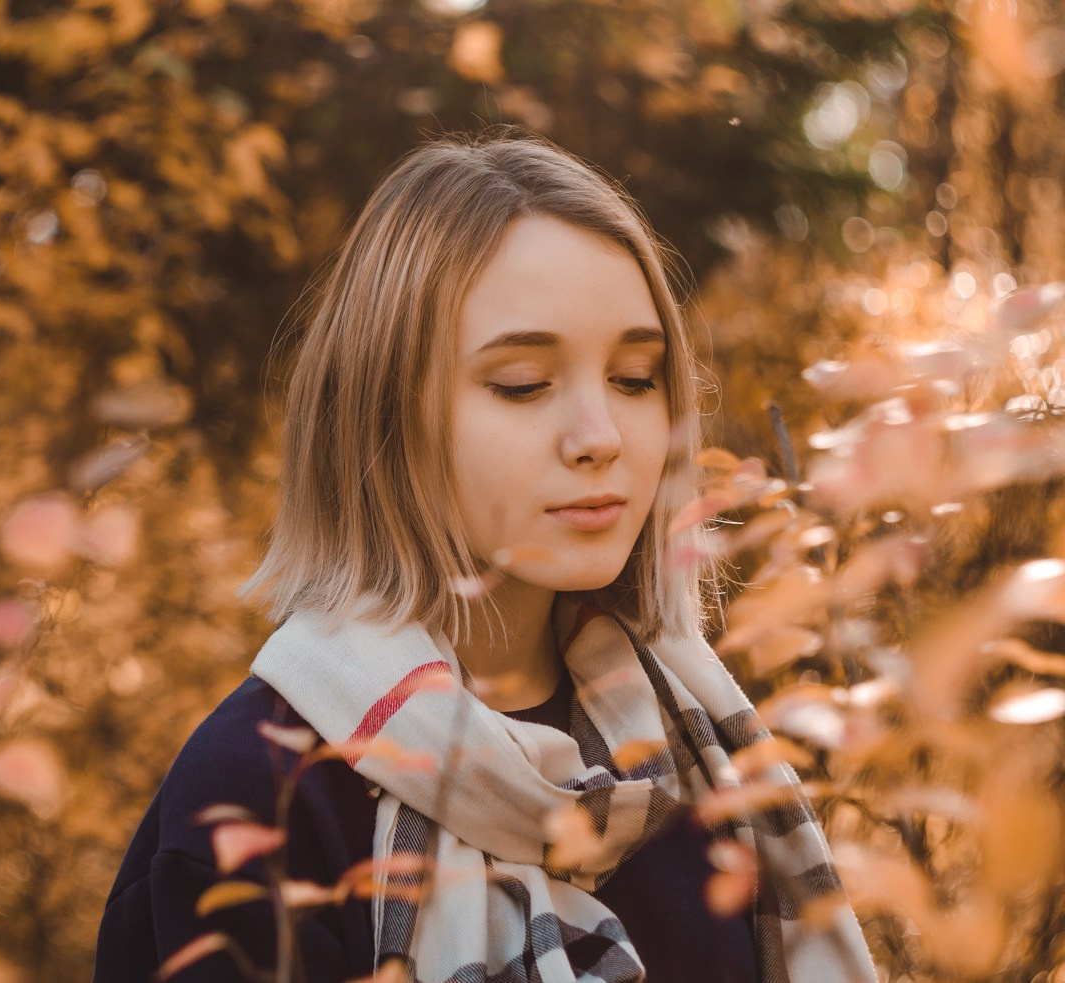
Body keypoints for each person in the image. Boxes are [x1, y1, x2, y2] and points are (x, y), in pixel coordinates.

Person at [93, 130, 876, 983]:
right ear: (385, 416)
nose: (599, 437)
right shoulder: (261, 793)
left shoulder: (696, 759)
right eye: (524, 384)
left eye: (635, 377)